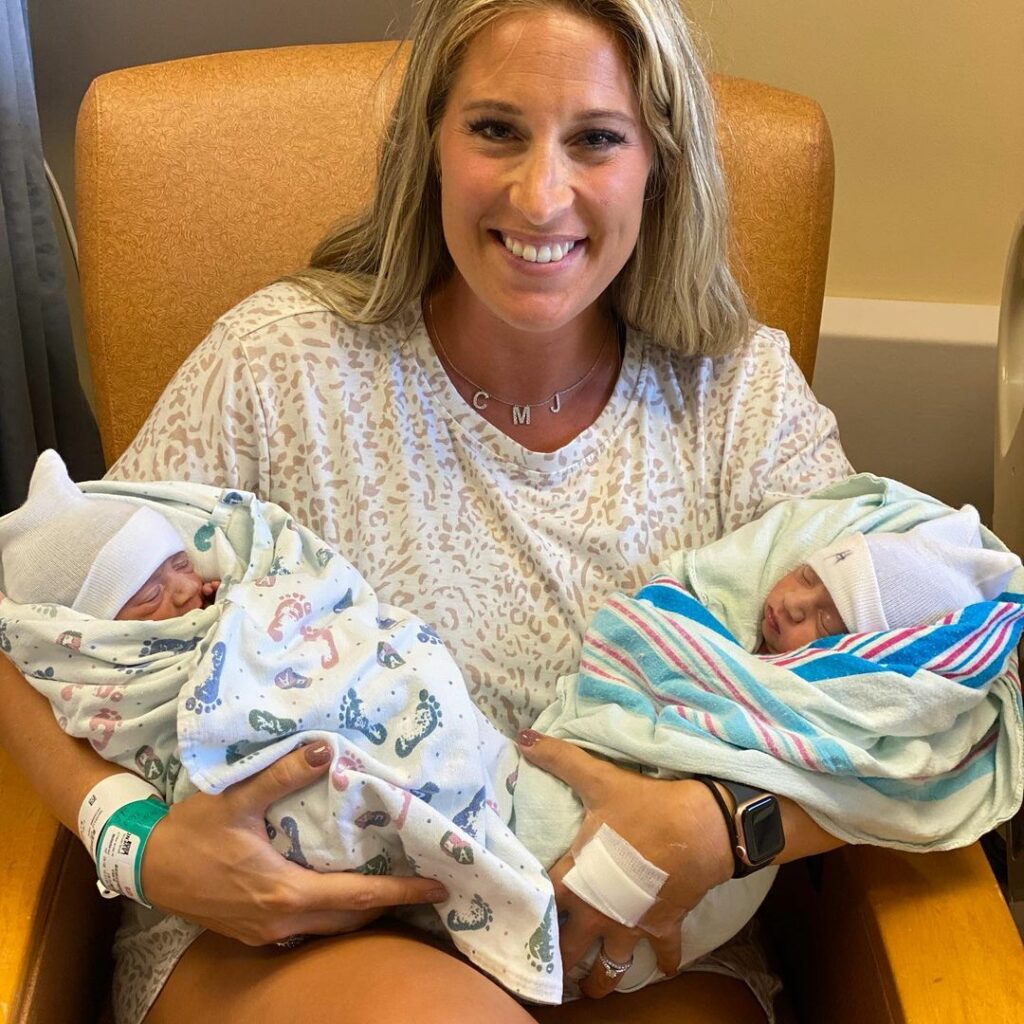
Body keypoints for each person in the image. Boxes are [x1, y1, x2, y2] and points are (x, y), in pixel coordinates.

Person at [0, 0, 937, 1021]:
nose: (541, 196)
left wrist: (726, 826)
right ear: (430, 146)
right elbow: (25, 624)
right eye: (495, 130)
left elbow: (958, 682)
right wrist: (132, 838)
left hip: (639, 947)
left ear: (659, 164)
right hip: (306, 927)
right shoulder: (279, 366)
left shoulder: (736, 397)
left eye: (596, 139)